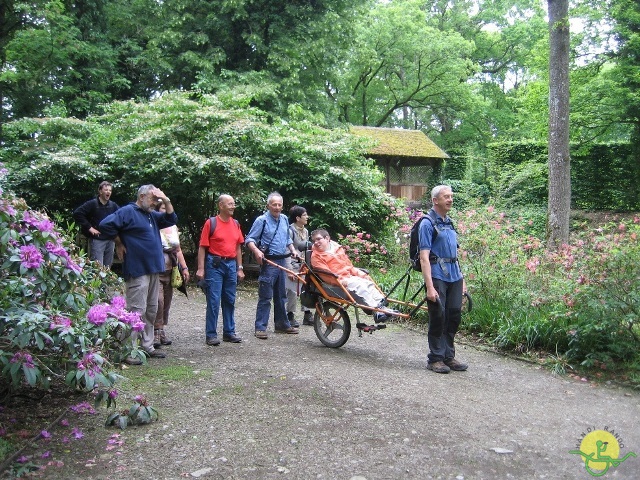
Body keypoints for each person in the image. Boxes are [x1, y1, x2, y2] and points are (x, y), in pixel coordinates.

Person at [99, 184, 177, 365]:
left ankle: (146, 346)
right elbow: (105, 225)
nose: (155, 203)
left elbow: (171, 218)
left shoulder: (150, 214)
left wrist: (166, 199)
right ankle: (129, 350)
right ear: (141, 197)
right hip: (137, 268)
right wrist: (119, 241)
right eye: (152, 199)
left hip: (153, 268)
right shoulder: (128, 211)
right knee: (135, 310)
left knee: (151, 309)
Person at [419, 185, 468, 374]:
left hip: (454, 275)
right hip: (437, 275)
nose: (450, 199)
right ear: (435, 200)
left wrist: (462, 280)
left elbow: (454, 253)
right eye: (446, 196)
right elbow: (424, 257)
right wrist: (429, 287)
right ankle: (435, 358)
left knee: (454, 315)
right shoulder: (426, 223)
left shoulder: (449, 222)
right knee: (439, 316)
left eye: (451, 196)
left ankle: (449, 356)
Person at [310, 229, 397, 322]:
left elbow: (349, 266)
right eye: (314, 240)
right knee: (359, 286)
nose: (316, 242)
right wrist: (340, 281)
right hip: (334, 283)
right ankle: (376, 311)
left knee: (367, 282)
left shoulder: (337, 249)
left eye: (318, 239)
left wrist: (361, 274)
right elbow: (326, 275)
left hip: (347, 277)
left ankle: (382, 307)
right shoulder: (316, 256)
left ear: (327, 238)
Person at [245, 192, 300, 339]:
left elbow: (287, 238)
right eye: (274, 204)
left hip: (282, 261)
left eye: (279, 205)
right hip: (269, 262)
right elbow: (249, 239)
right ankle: (260, 327)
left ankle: (282, 324)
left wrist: (293, 250)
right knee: (266, 295)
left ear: (282, 206)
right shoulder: (261, 220)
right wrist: (256, 251)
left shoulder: (283, 219)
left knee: (281, 295)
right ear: (268, 205)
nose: (277, 207)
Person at [196, 194, 245, 346]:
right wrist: (201, 268)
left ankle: (229, 332)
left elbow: (238, 247)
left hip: (231, 265)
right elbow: (203, 247)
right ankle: (211, 334)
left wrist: (240, 268)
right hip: (215, 264)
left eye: (233, 203)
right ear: (221, 206)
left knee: (230, 299)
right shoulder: (211, 223)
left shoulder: (235, 224)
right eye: (229, 203)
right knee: (213, 300)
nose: (232, 206)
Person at [154, 201, 190, 349]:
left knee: (167, 302)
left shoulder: (173, 227)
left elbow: (178, 249)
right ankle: (155, 331)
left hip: (171, 268)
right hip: (156, 269)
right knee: (158, 301)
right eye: (163, 209)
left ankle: (161, 330)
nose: (165, 212)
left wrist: (185, 267)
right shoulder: (153, 225)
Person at [73, 181, 119, 268]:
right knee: (98, 267)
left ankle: (106, 282)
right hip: (98, 239)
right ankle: (97, 282)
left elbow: (121, 217)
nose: (108, 192)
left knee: (107, 268)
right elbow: (77, 213)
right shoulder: (92, 204)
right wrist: (89, 227)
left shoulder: (113, 205)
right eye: (106, 190)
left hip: (110, 239)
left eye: (110, 190)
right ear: (100, 191)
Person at [285, 206, 313, 327]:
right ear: (297, 218)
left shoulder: (305, 231)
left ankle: (307, 314)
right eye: (305, 215)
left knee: (306, 287)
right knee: (292, 289)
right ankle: (290, 315)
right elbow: (286, 249)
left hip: (303, 264)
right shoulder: (290, 230)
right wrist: (289, 269)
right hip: (292, 263)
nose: (307, 217)